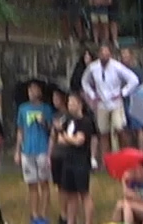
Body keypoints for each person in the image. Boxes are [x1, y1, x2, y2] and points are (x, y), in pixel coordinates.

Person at [83, 46, 141, 155]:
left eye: (107, 54)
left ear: (110, 55)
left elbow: (134, 80)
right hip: (101, 104)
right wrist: (92, 94)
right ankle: (106, 161)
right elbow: (85, 81)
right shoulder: (93, 67)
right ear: (99, 54)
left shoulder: (117, 66)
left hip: (116, 103)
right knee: (103, 132)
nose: (105, 57)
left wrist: (122, 93)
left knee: (119, 128)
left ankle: (126, 154)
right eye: (102, 54)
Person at [16, 81, 55, 224]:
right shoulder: (23, 108)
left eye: (34, 89)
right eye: (29, 90)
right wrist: (17, 150)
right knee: (31, 184)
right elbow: (20, 130)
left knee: (44, 183)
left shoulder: (46, 108)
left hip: (42, 149)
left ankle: (44, 214)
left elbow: (51, 129)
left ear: (39, 92)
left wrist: (43, 121)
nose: (31, 92)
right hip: (27, 150)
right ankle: (34, 214)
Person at [54, 95, 96, 224]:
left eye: (72, 102)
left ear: (80, 104)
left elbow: (79, 141)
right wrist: (66, 136)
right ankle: (71, 221)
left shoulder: (86, 122)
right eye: (69, 102)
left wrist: (66, 137)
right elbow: (60, 140)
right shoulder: (69, 121)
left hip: (81, 163)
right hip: (68, 161)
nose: (70, 105)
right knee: (71, 194)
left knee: (84, 194)